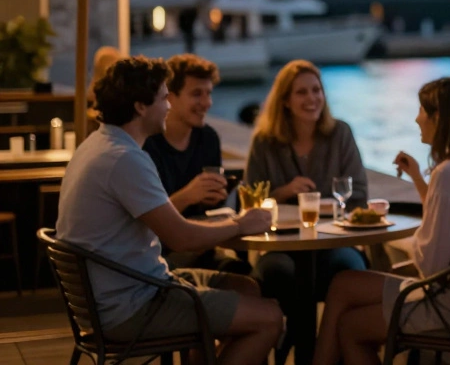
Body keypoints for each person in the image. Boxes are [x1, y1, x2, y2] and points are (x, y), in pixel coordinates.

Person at [55, 56, 281, 365]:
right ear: (140, 106)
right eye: (164, 98)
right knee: (270, 318)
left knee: (245, 287)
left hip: (120, 292)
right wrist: (242, 224)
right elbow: (182, 238)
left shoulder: (97, 144)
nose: (169, 106)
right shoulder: (125, 159)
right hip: (133, 305)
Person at [312, 77, 450, 365]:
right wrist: (420, 180)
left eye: (422, 110)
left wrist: (418, 238)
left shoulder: (448, 175)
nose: (416, 118)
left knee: (350, 325)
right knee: (344, 284)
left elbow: (430, 264)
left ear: (439, 118)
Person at [246, 59, 369, 356]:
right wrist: (283, 192)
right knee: (279, 274)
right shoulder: (265, 141)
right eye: (301, 92)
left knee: (350, 270)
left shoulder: (340, 134)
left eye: (317, 90)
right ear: (285, 100)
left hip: (333, 242)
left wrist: (327, 204)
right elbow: (248, 199)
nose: (311, 99)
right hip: (282, 246)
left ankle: (323, 353)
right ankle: (304, 351)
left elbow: (359, 195)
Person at [143, 54, 250, 275]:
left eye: (209, 93)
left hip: (203, 242)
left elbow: (209, 211)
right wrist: (188, 195)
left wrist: (215, 196)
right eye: (197, 94)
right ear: (170, 98)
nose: (207, 103)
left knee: (245, 273)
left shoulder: (208, 138)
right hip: (159, 253)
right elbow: (150, 223)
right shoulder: (148, 144)